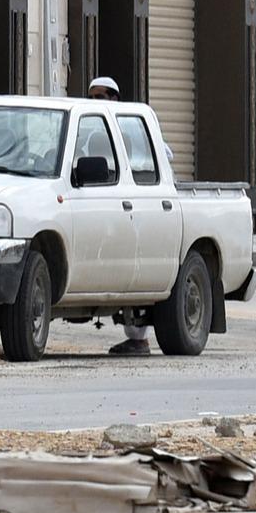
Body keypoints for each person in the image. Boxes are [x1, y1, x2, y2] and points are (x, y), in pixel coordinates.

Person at [88, 77, 157, 358]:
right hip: (106, 208)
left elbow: (160, 156)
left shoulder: (130, 126)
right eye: (91, 97)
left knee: (137, 273)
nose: (95, 103)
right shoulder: (91, 129)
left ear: (115, 99)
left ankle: (138, 338)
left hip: (139, 207)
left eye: (101, 97)